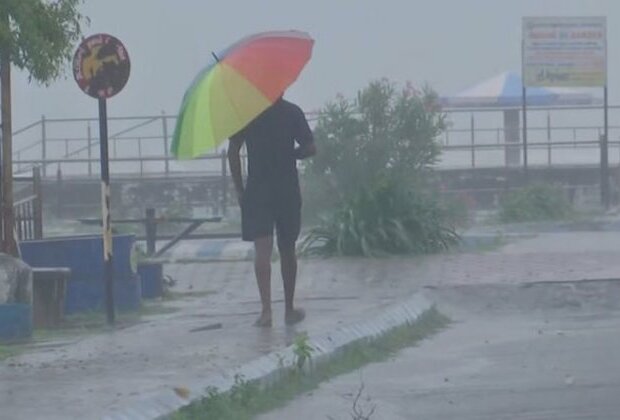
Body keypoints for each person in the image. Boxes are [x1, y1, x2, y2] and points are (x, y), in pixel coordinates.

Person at [228, 97, 316, 327]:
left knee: (262, 250)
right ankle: (288, 309)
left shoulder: (246, 112)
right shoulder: (292, 112)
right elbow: (310, 147)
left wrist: (239, 189)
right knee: (288, 249)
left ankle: (266, 311)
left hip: (257, 190)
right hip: (286, 188)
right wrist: (291, 154)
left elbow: (233, 151)